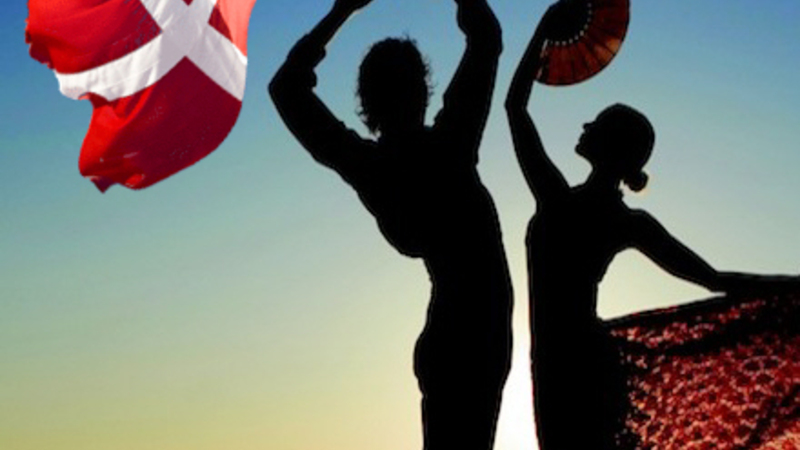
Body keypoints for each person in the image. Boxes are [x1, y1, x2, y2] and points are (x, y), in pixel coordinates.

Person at [505, 5, 800, 449]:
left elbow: (515, 107)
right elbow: (715, 279)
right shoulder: (607, 215)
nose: (585, 124)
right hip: (569, 362)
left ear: (612, 146)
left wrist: (544, 31)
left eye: (598, 123)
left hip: (572, 365)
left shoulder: (563, 202)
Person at [269, 1, 512, 449]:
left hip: (456, 338)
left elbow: (286, 88)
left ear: (367, 102)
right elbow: (486, 38)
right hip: (471, 340)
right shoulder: (450, 147)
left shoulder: (371, 166)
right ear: (422, 89)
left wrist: (342, 11)